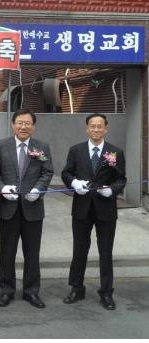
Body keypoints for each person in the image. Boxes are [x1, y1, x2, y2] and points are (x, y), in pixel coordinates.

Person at [61, 113, 126, 311]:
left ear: (106, 129)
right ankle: (76, 288)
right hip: (82, 208)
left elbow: (121, 179)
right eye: (92, 126)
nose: (96, 129)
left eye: (99, 126)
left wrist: (112, 190)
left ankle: (106, 292)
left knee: (105, 252)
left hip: (105, 209)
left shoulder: (115, 152)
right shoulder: (76, 150)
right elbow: (66, 172)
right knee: (79, 250)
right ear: (87, 128)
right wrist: (74, 183)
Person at [0, 108, 53, 309]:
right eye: (20, 122)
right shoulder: (1, 146)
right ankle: (6, 291)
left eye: (27, 123)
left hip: (33, 208)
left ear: (33, 126)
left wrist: (38, 189)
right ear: (13, 124)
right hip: (8, 208)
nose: (23, 126)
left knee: (32, 253)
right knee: (7, 253)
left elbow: (47, 172)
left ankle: (31, 292)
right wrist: (2, 189)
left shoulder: (41, 146)